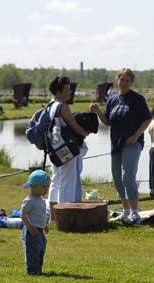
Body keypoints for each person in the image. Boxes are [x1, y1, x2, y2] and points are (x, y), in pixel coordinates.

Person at [89, 68, 152, 225]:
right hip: (116, 143)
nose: (124, 83)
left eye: (127, 81)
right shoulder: (112, 99)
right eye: (121, 80)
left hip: (132, 143)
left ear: (131, 82)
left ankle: (135, 213)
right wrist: (97, 112)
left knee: (128, 177)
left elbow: (147, 120)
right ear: (117, 80)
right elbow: (108, 121)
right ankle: (125, 211)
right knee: (117, 177)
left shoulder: (137, 99)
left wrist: (135, 136)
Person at [47, 76, 90, 223]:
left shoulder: (51, 105)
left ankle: (53, 216)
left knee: (56, 179)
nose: (70, 91)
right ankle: (64, 218)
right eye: (67, 88)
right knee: (67, 181)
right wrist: (85, 133)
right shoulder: (63, 106)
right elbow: (74, 126)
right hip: (65, 149)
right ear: (59, 91)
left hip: (54, 147)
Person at [20, 169, 51, 275]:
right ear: (33, 187)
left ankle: (38, 268)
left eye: (47, 186)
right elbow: (23, 214)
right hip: (31, 230)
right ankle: (33, 271)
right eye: (43, 187)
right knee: (33, 250)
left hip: (40, 229)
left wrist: (44, 225)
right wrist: (30, 227)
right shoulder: (30, 200)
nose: (46, 189)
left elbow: (41, 214)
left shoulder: (41, 199)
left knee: (41, 248)